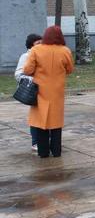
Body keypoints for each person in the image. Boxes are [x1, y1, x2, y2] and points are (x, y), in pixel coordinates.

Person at [23, 26, 74, 158]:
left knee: (41, 122)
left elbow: (27, 70)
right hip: (57, 91)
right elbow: (70, 69)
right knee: (56, 122)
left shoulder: (36, 50)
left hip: (40, 91)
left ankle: (43, 152)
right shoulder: (65, 50)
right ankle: (56, 151)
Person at [15, 33, 42, 152]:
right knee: (36, 116)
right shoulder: (26, 56)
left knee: (44, 115)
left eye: (42, 42)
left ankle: (45, 140)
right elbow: (18, 74)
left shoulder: (43, 55)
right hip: (33, 90)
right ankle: (35, 142)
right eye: (38, 43)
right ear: (31, 44)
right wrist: (33, 79)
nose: (40, 45)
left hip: (44, 90)